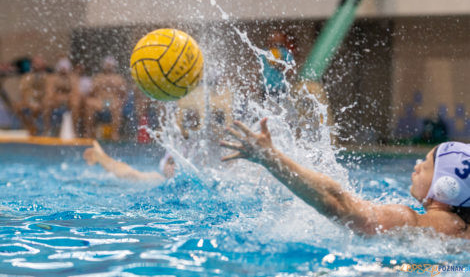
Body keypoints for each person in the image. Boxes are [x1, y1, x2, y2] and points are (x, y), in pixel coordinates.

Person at [220, 118, 470, 238]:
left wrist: (270, 158)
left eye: (424, 165)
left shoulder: (410, 221)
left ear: (446, 186)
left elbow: (338, 204)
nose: (415, 167)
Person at [83, 140, 175, 182]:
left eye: (175, 164)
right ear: (163, 165)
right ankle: (102, 157)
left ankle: (101, 157)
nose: (172, 167)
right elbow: (131, 173)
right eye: (170, 162)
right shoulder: (158, 178)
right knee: (134, 174)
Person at [84, 56, 127, 140]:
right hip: (99, 101)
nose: (109, 67)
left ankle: (114, 133)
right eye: (107, 65)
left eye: (110, 65)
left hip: (113, 101)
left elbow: (123, 94)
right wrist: (100, 84)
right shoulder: (98, 77)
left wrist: (114, 86)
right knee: (89, 103)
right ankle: (89, 131)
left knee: (117, 105)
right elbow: (91, 92)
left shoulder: (119, 79)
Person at [43, 57, 80, 136]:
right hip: (55, 100)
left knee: (75, 104)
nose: (63, 71)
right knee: (47, 103)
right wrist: (57, 99)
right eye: (62, 68)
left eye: (65, 69)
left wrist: (66, 99)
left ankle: (74, 129)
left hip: (69, 100)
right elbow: (49, 92)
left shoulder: (73, 78)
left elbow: (75, 92)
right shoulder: (52, 78)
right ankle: (47, 128)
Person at [15, 56, 49, 135]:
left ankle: (42, 128)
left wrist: (40, 101)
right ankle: (29, 125)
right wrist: (29, 102)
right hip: (29, 100)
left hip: (42, 101)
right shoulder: (26, 77)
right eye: (35, 63)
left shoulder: (47, 77)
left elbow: (47, 92)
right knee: (17, 107)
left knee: (38, 107)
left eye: (38, 64)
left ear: (43, 65)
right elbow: (24, 92)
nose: (36, 65)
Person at [260, 32, 296, 101]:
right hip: (265, 89)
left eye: (276, 38)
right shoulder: (263, 52)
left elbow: (291, 70)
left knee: (282, 109)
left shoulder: (285, 53)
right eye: (272, 38)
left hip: (281, 88)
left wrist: (279, 65)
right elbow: (257, 69)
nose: (274, 40)